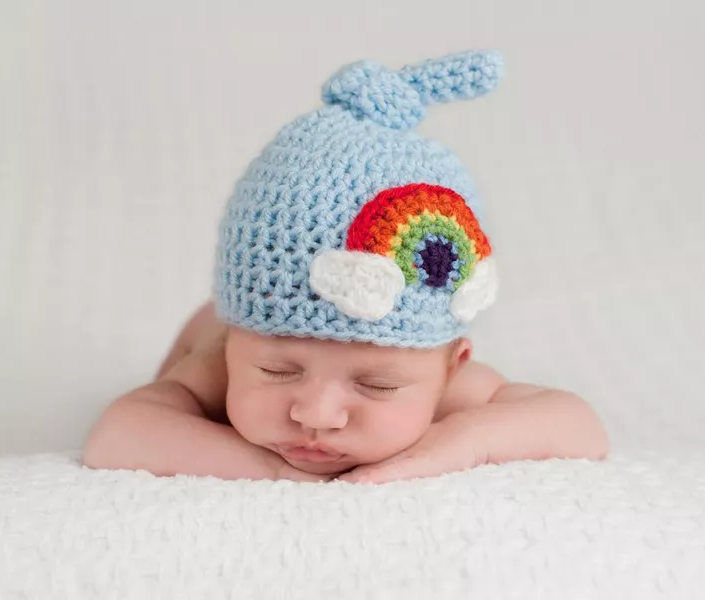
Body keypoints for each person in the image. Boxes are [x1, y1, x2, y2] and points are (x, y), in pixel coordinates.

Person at [83, 50, 609, 484]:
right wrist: (271, 470)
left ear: (453, 364)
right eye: (276, 371)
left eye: (377, 385)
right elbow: (117, 434)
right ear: (235, 341)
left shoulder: (456, 386)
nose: (315, 415)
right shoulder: (217, 365)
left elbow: (580, 426)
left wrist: (461, 442)